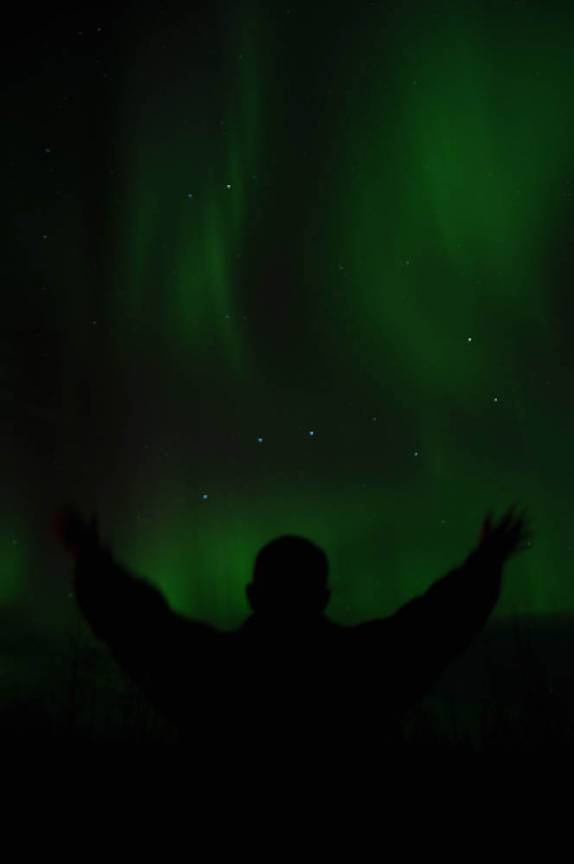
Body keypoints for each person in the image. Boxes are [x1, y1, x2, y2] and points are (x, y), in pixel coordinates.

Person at [53, 502, 533, 771]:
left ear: (252, 596)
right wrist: (484, 564)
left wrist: (93, 560)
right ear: (322, 598)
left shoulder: (212, 674)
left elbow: (143, 629)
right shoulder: (362, 671)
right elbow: (430, 629)